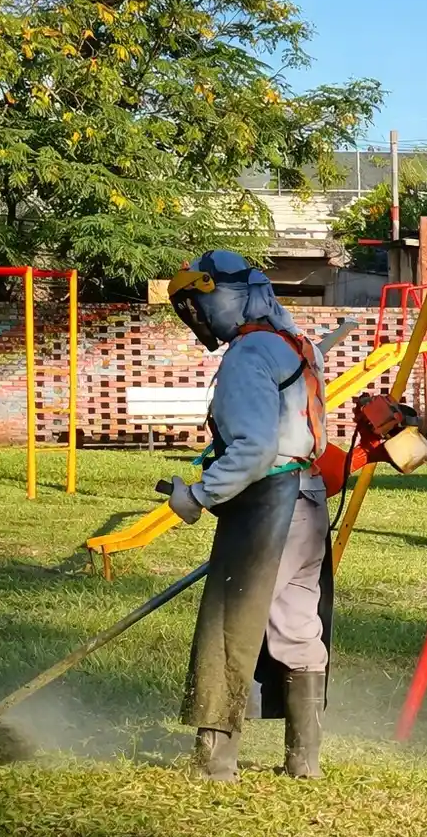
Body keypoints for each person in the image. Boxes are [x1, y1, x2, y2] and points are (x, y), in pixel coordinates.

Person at [164, 250, 334, 782]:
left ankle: (215, 765)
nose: (199, 317)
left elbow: (255, 448)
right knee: (296, 626)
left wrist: (197, 495)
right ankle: (304, 763)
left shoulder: (247, 354)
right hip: (308, 500)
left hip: (268, 505)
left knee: (226, 627)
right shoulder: (296, 346)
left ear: (228, 296)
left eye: (200, 303)